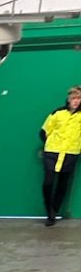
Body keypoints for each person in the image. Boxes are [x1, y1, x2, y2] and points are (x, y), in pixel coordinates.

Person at [40, 86, 81, 226]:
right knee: (48, 183)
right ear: (69, 99)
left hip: (70, 154)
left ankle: (53, 213)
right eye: (73, 98)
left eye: (79, 98)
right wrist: (50, 145)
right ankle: (48, 207)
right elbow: (44, 131)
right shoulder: (57, 113)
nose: (76, 101)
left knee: (62, 185)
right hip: (52, 152)